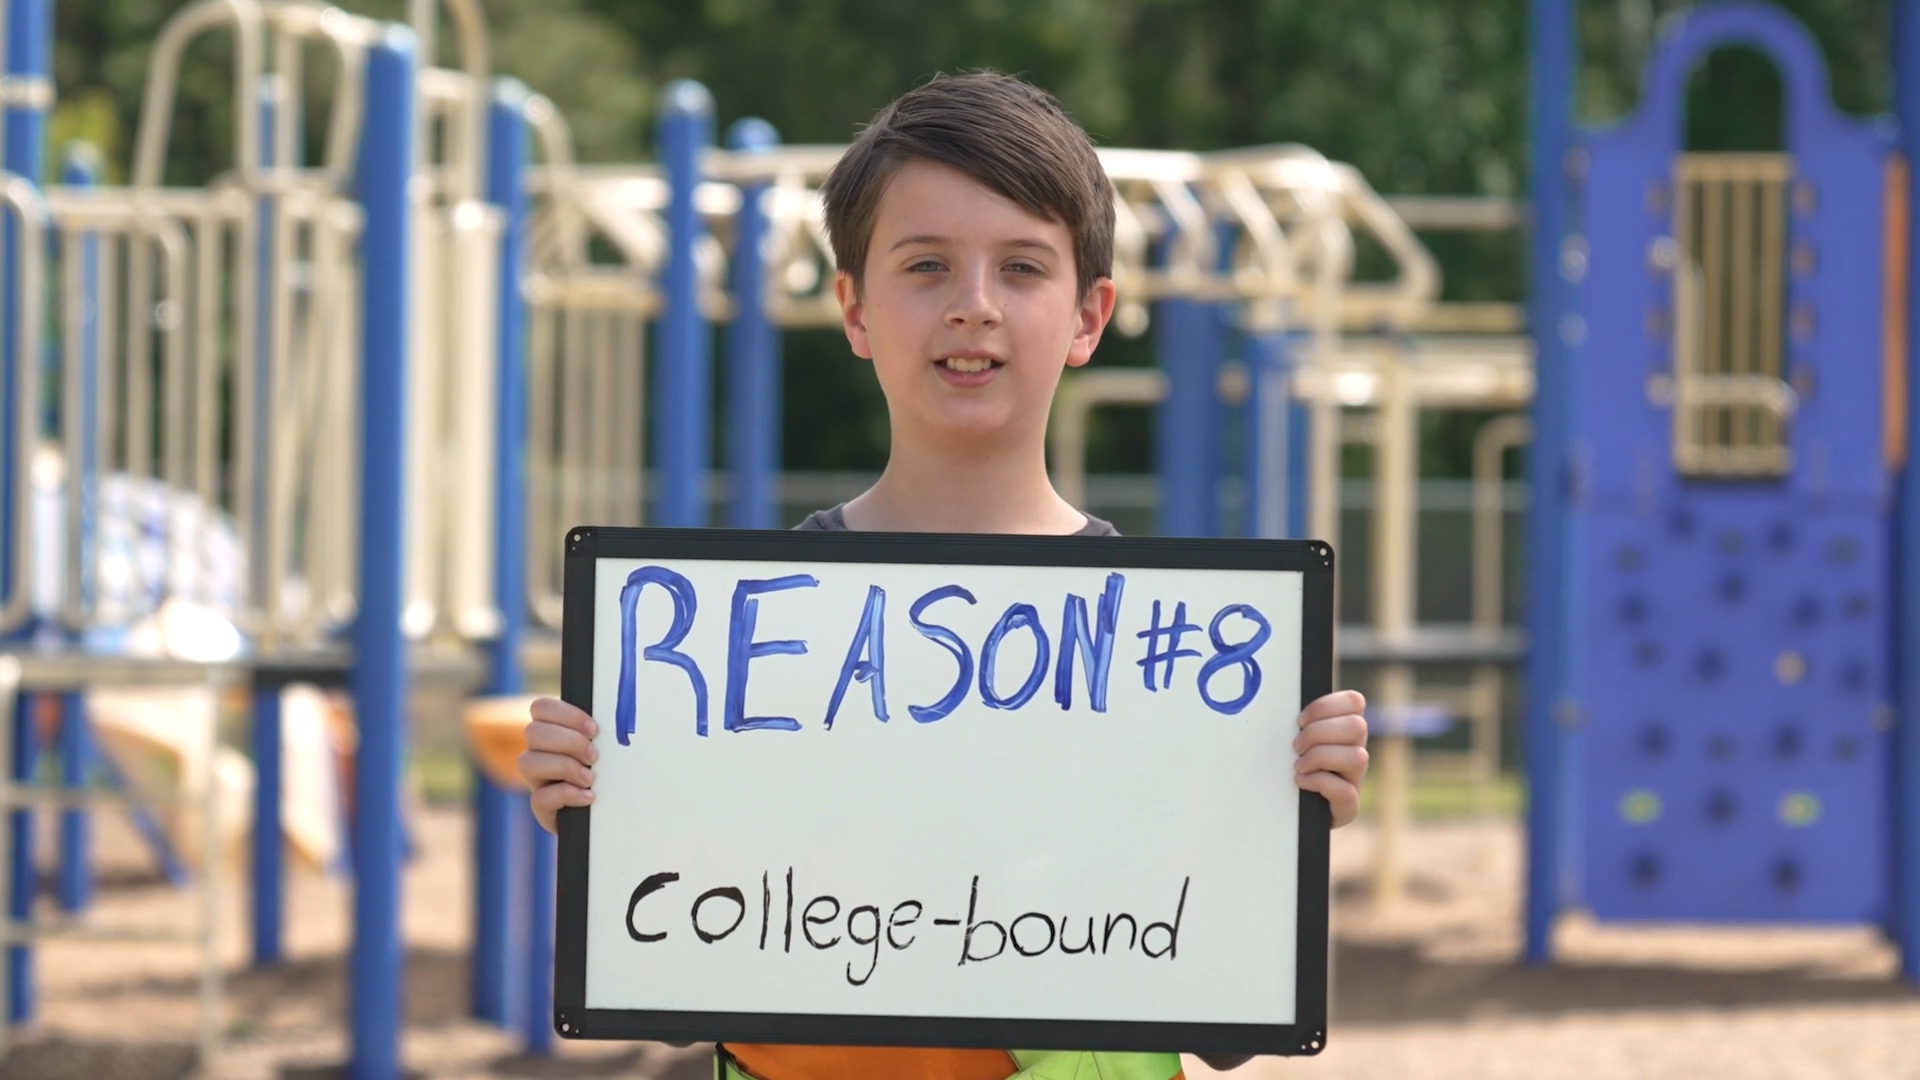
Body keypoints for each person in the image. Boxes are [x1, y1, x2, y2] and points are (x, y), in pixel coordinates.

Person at [520, 71, 1371, 1080]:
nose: (975, 306)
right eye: (926, 266)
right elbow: (666, 987)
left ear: (1090, 315)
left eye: (1021, 268)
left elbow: (1227, 1024)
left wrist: (1287, 820)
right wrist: (600, 818)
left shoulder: (1183, 657)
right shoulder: (735, 647)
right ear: (855, 309)